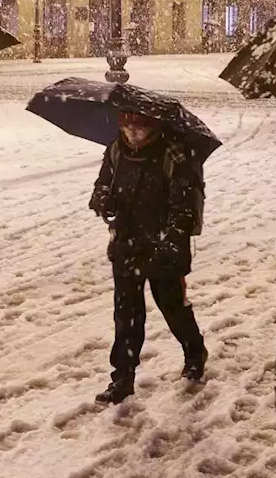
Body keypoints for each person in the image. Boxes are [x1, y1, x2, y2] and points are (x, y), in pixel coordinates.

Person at [89, 112, 209, 404]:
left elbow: (186, 206)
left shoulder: (175, 154)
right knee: (126, 314)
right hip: (126, 244)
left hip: (163, 246)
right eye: (126, 125)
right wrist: (102, 200)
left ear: (154, 125)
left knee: (172, 307)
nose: (132, 132)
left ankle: (194, 352)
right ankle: (122, 377)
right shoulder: (117, 149)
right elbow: (102, 185)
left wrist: (171, 238)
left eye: (138, 126)